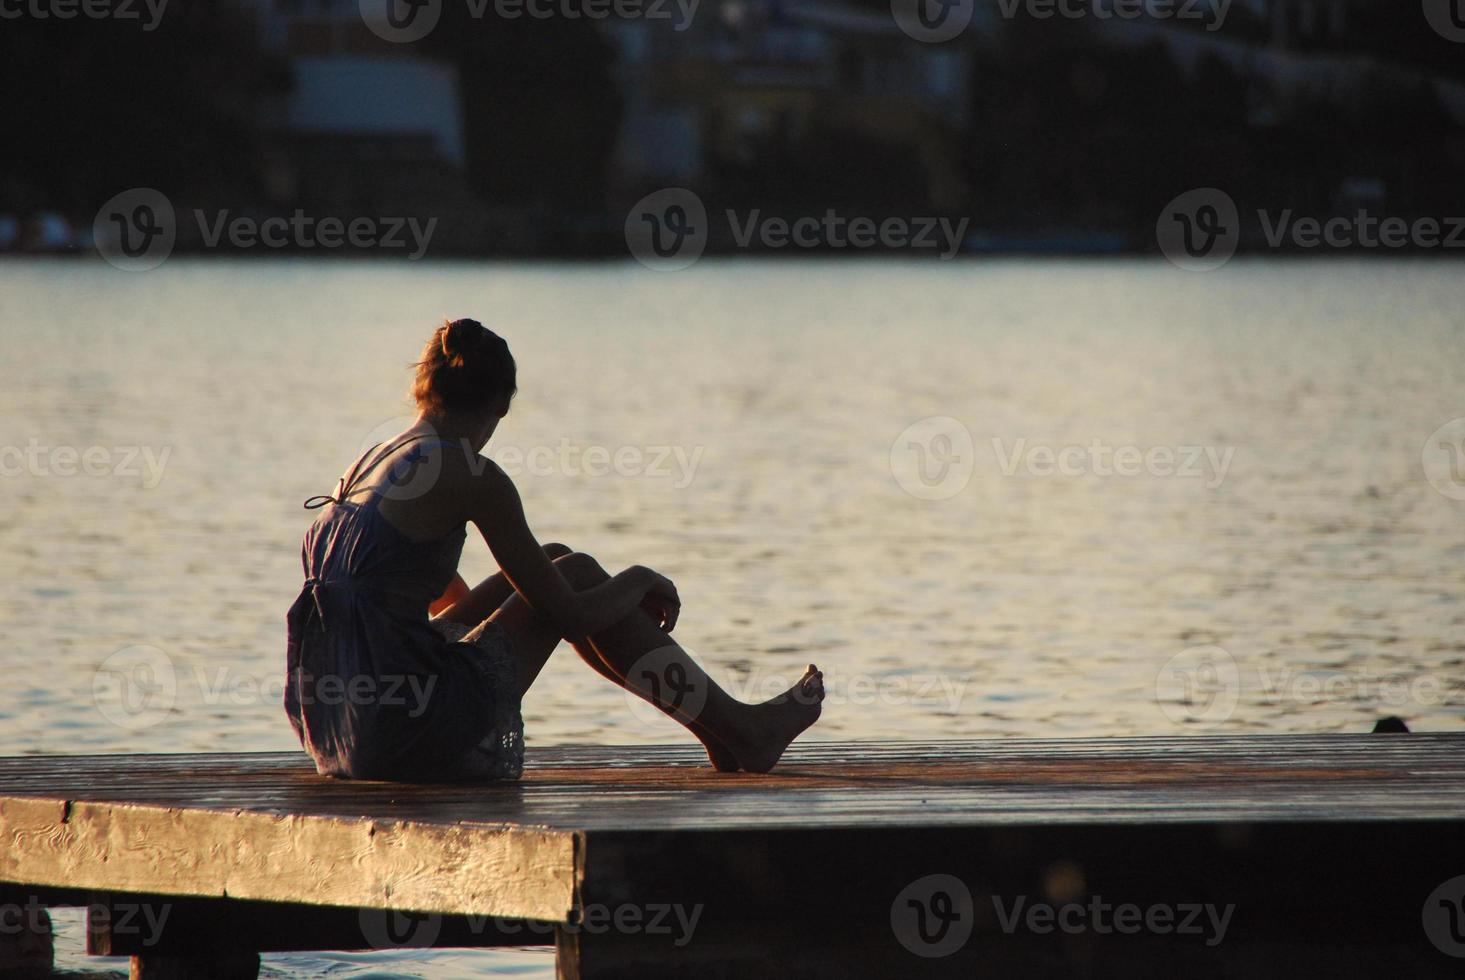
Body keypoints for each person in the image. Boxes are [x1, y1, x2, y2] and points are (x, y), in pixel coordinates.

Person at [285, 318, 824, 781]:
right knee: (581, 578)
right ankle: (744, 731)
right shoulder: (470, 472)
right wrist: (640, 579)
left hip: (335, 728)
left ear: (424, 391)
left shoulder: (369, 463)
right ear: (499, 403)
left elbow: (424, 598)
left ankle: (722, 734)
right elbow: (569, 613)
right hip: (405, 730)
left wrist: (491, 627)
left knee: (558, 558)